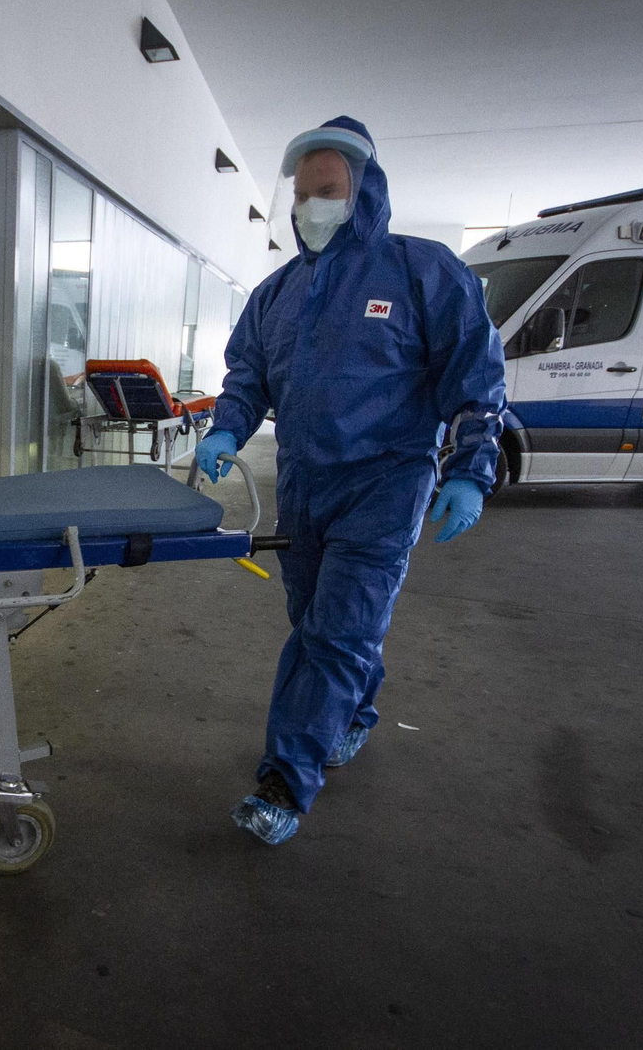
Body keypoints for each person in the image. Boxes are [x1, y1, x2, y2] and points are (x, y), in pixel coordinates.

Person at [196, 116, 505, 846]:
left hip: (385, 485)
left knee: (336, 633)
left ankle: (283, 784)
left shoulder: (422, 272)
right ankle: (357, 713)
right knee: (317, 622)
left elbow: (475, 375)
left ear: (364, 191)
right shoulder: (276, 296)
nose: (311, 207)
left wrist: (470, 468)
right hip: (305, 484)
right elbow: (247, 378)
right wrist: (226, 427)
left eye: (327, 190)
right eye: (302, 194)